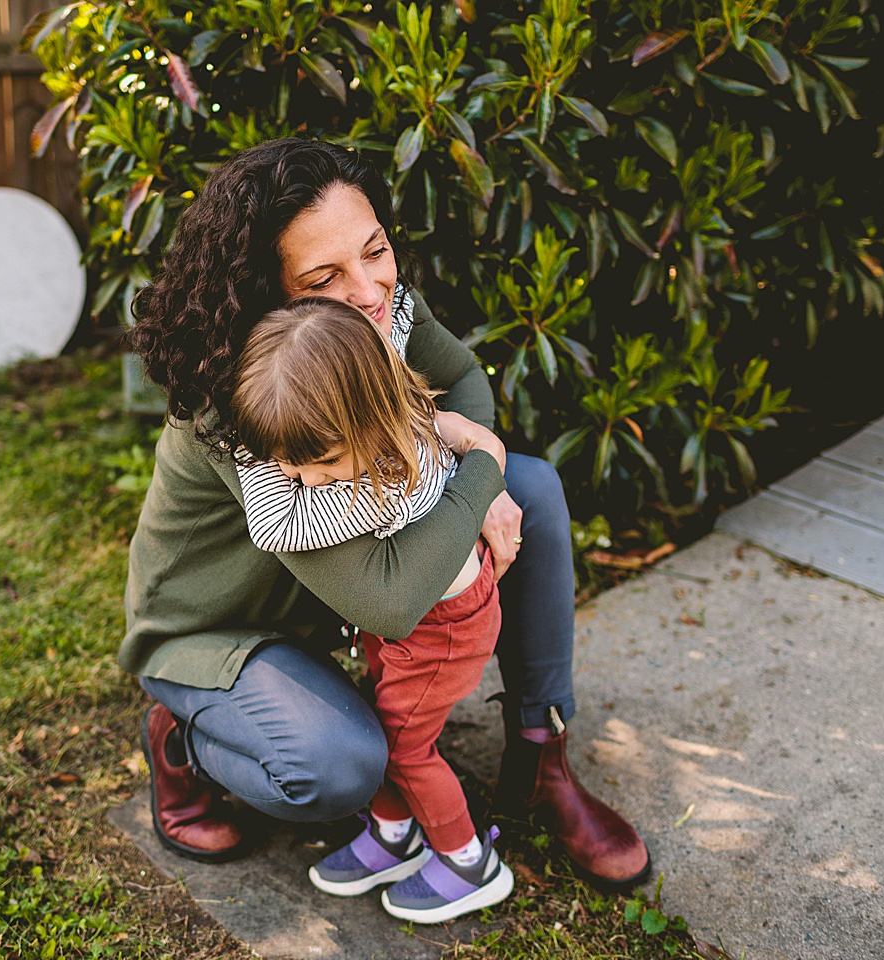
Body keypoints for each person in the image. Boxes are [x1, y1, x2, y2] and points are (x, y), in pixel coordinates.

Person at [122, 136, 650, 888]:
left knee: (534, 489)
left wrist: (491, 478)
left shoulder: (376, 309)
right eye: (325, 276)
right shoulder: (248, 397)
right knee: (340, 765)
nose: (369, 289)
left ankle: (542, 754)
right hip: (222, 627)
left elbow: (464, 380)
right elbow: (393, 600)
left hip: (328, 591)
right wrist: (479, 475)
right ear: (266, 292)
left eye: (375, 250)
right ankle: (184, 740)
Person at [231, 297, 512, 922]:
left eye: (318, 463)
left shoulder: (383, 489)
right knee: (382, 723)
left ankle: (468, 861)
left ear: (367, 420)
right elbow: (399, 316)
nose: (304, 481)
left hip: (444, 631)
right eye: (286, 463)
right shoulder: (394, 412)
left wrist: (247, 454)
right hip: (421, 620)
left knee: (406, 747)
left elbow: (276, 526)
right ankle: (394, 834)